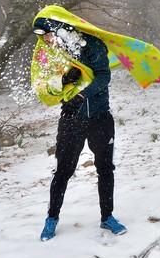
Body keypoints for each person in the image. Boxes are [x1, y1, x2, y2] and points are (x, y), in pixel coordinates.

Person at [34, 17, 127, 241]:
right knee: (63, 171)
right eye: (42, 37)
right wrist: (64, 80)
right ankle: (51, 219)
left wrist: (83, 94)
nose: (45, 40)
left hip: (100, 118)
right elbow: (43, 85)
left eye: (48, 34)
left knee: (105, 169)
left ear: (58, 29)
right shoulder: (51, 53)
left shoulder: (91, 45)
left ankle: (108, 217)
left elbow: (104, 75)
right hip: (71, 120)